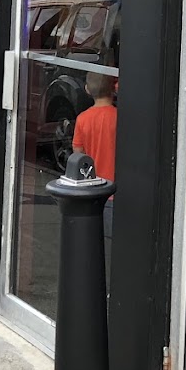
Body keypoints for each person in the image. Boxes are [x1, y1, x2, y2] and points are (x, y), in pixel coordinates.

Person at [73, 72, 118, 243]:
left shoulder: (82, 119)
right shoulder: (119, 117)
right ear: (114, 88)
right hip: (115, 192)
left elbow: (78, 155)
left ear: (87, 89)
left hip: (92, 190)